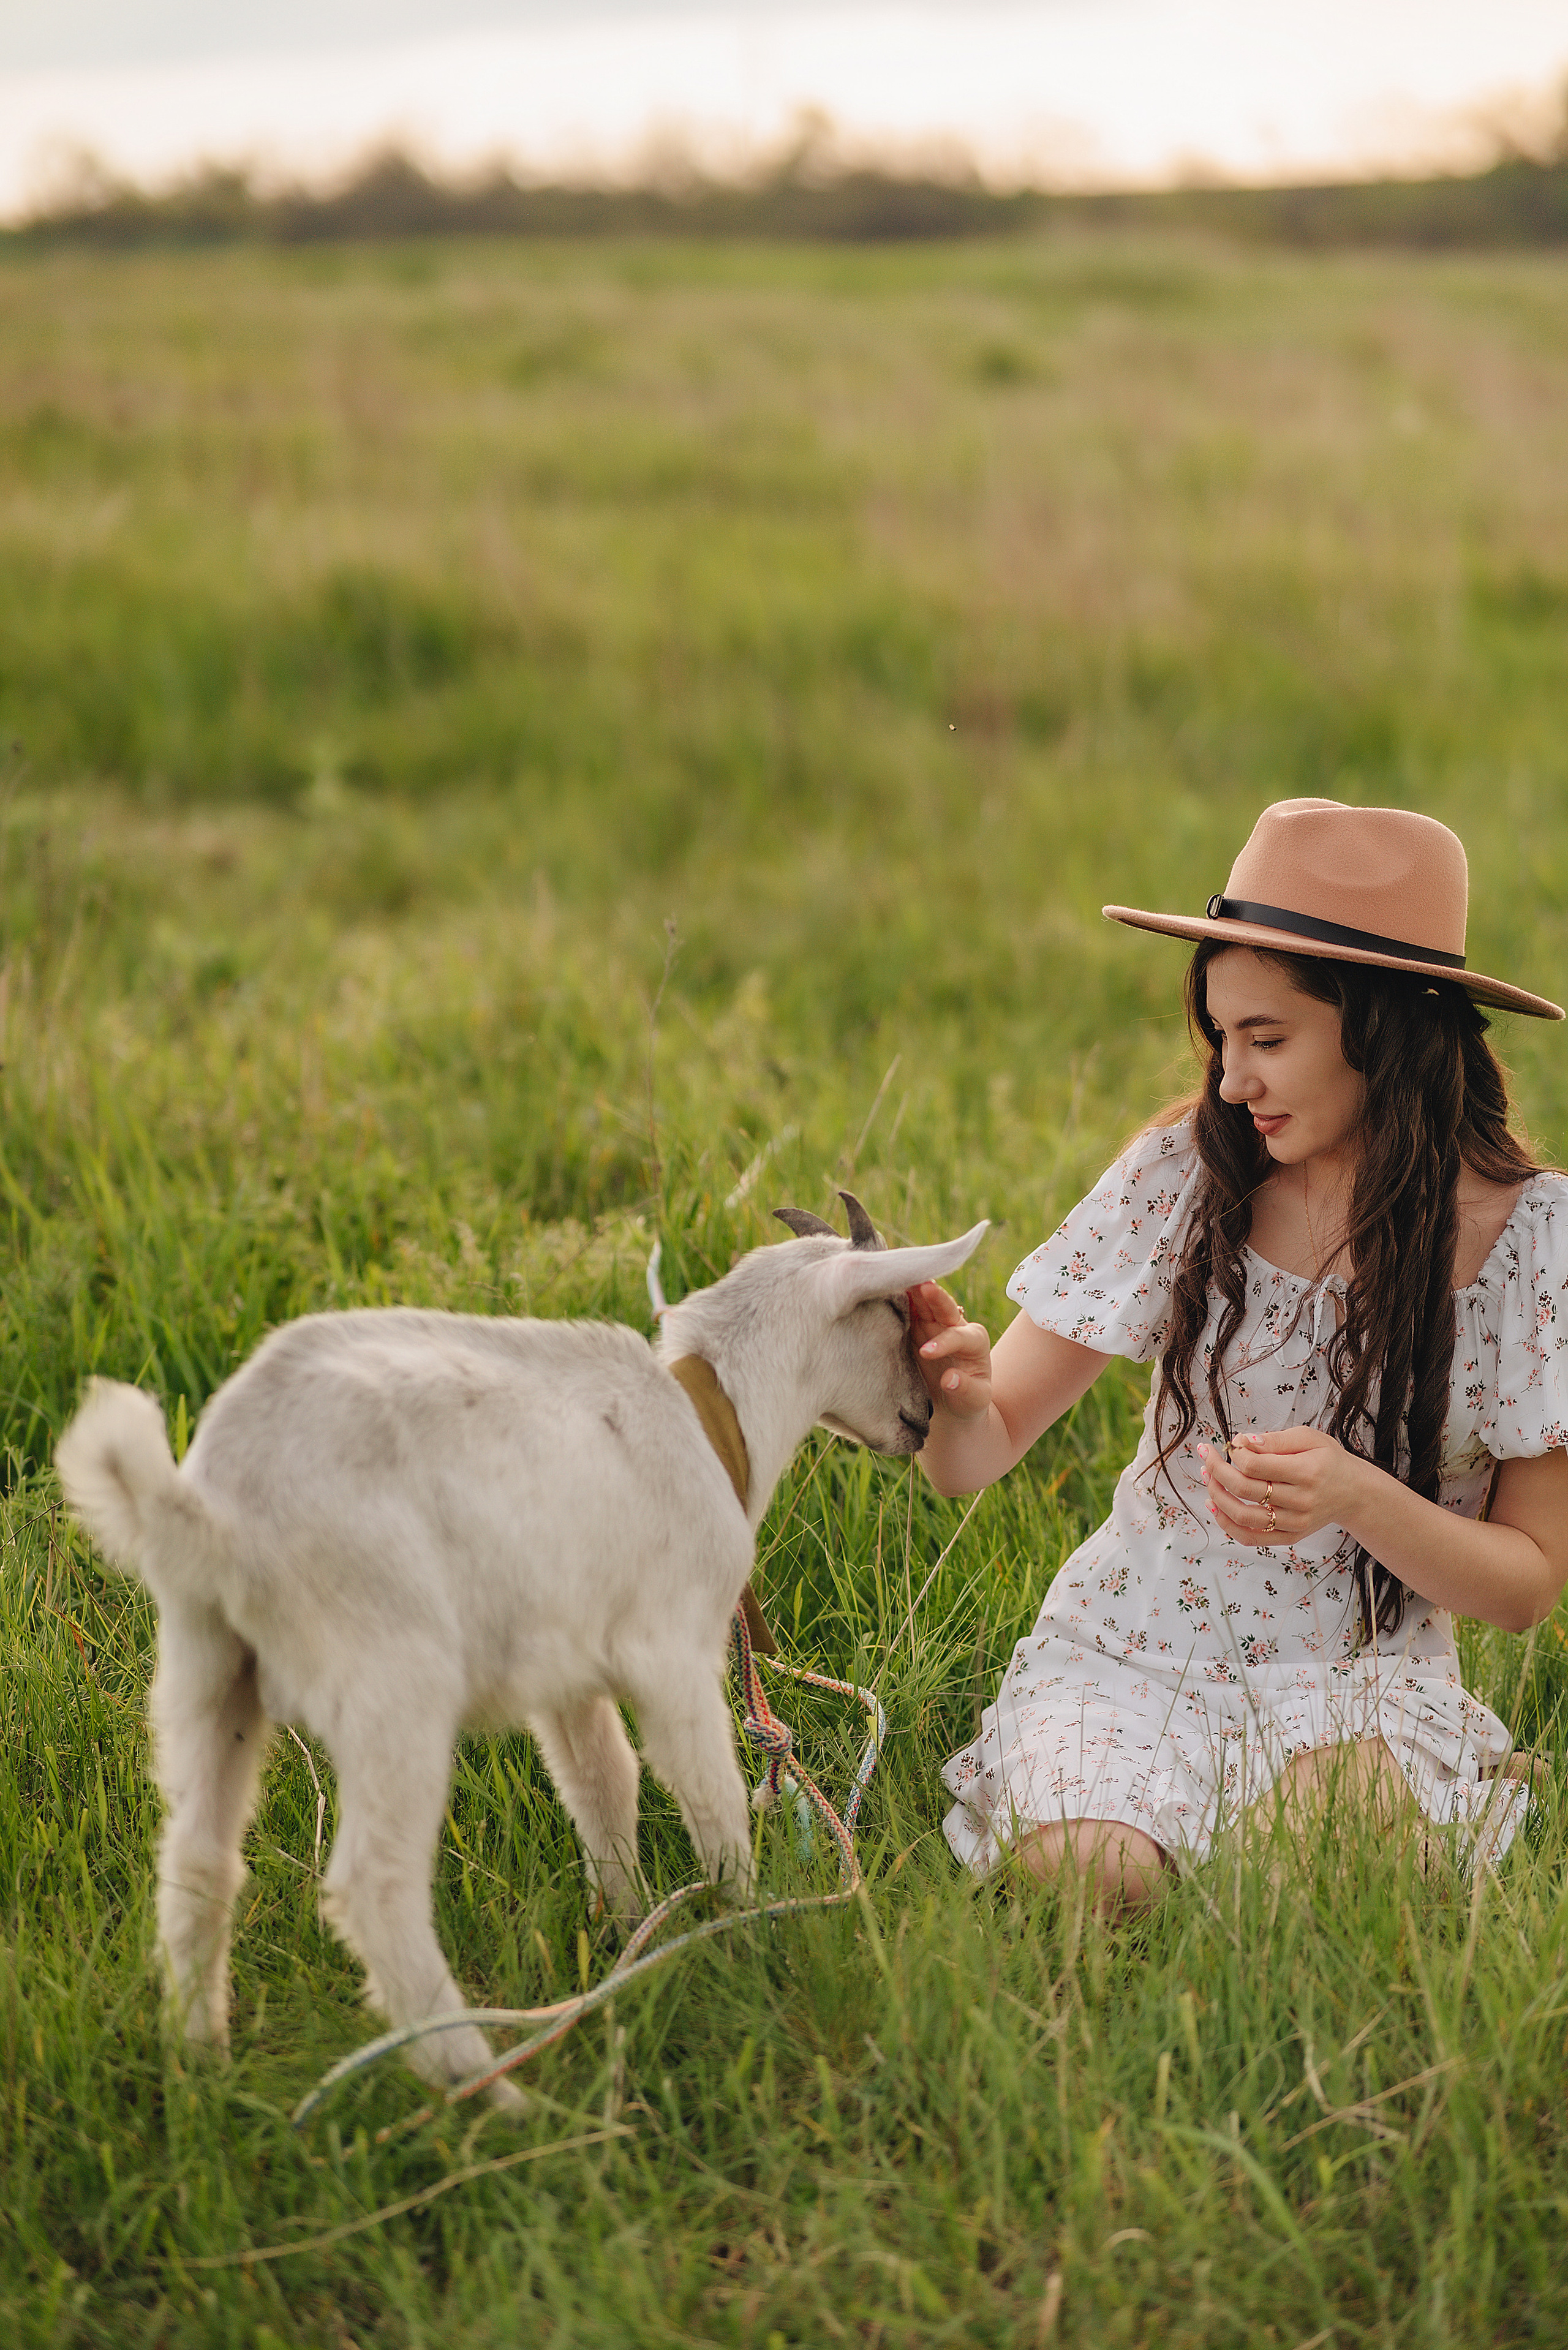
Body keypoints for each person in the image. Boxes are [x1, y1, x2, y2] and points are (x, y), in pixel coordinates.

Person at [912, 798, 1568, 1913]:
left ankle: (1428, 1780)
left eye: (1267, 1040)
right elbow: (975, 1458)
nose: (1229, 1080)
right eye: (1221, 1037)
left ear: (1387, 1026)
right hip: (1131, 1653)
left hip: (1360, 1687)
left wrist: (1356, 1494)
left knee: (1315, 1874)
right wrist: (961, 1401)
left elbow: (1526, 1586)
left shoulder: (1531, 1241)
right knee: (1087, 1879)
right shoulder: (1184, 1177)